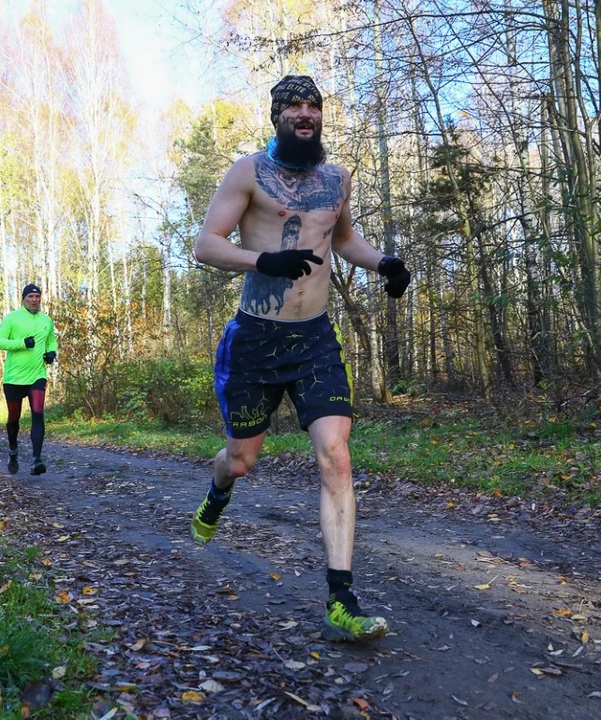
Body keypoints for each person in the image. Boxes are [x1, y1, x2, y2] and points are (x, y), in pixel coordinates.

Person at [188, 75, 411, 642]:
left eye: (314, 106)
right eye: (294, 107)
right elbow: (207, 244)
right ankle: (219, 489)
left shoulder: (338, 177)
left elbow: (342, 240)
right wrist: (263, 260)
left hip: (313, 338)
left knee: (335, 455)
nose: (306, 114)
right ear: (276, 116)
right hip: (256, 341)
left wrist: (382, 262)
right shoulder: (247, 172)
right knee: (241, 461)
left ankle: (342, 596)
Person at [0, 284, 59, 475]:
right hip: (14, 378)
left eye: (37, 296)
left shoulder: (47, 320)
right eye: (30, 296)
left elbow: (52, 340)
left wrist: (52, 353)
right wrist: (22, 343)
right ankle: (13, 450)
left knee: (38, 414)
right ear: (24, 298)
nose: (34, 299)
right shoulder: (13, 318)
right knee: (14, 419)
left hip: (37, 376)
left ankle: (36, 460)